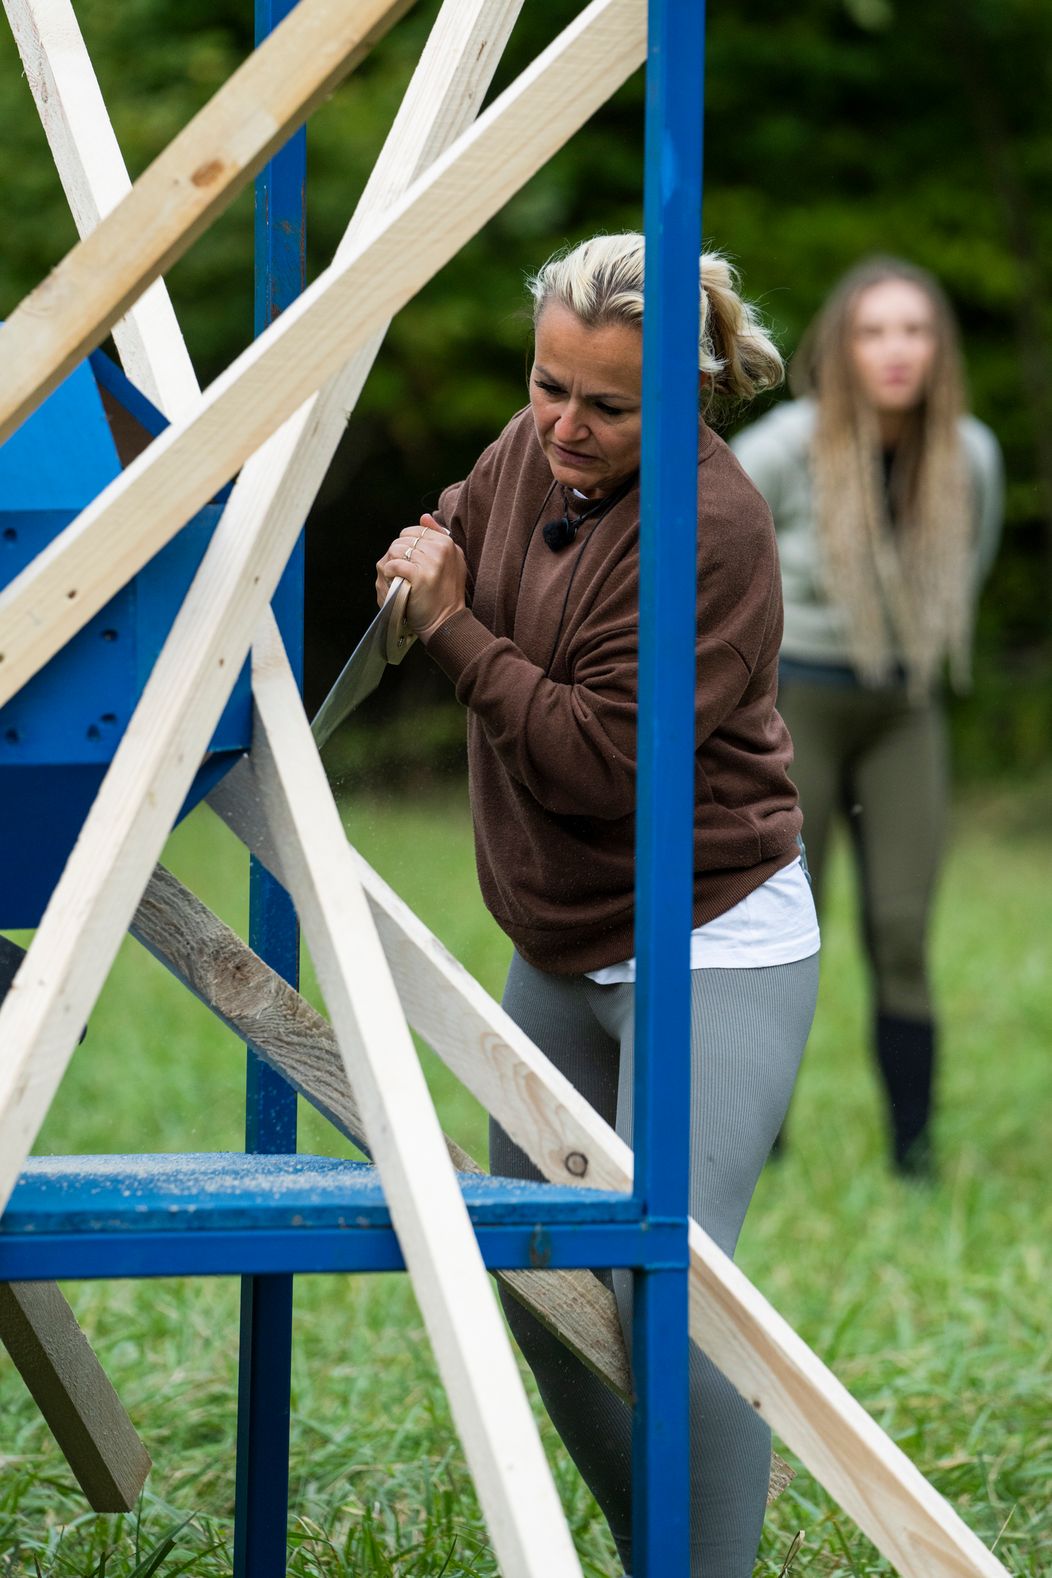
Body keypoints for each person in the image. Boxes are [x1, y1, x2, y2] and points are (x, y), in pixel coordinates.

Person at [376, 234, 820, 1578]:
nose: (565, 426)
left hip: (708, 931)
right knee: (543, 1275)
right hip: (557, 939)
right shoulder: (535, 453)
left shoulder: (715, 527)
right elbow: (465, 523)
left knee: (667, 1291)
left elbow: (603, 765)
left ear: (679, 398)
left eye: (607, 406)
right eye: (544, 385)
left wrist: (454, 631)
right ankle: (666, 1555)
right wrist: (420, 560)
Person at [731, 257, 1003, 1178]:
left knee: (900, 926)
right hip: (793, 702)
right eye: (875, 331)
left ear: (939, 350)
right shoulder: (789, 444)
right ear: (843, 346)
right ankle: (760, 1138)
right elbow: (715, 546)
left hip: (903, 706)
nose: (896, 351)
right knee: (776, 919)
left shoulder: (969, 453)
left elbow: (971, 558)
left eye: (915, 331)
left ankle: (913, 1157)